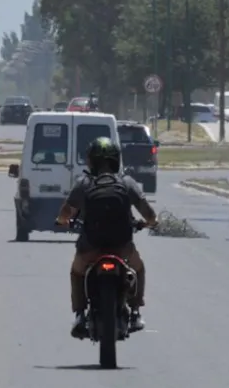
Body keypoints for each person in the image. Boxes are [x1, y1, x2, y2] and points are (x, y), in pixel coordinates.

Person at [55, 136, 158, 338]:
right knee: (138, 268)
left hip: (90, 247)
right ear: (116, 160)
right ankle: (136, 312)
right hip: (122, 247)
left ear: (91, 161)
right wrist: (149, 223)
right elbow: (149, 214)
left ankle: (80, 315)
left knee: (77, 272)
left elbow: (65, 213)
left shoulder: (84, 183)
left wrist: (61, 221)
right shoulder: (127, 182)